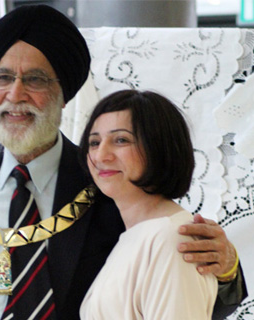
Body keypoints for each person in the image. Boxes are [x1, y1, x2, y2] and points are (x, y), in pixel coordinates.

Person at [0, 4, 246, 320]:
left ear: (64, 94)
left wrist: (227, 270)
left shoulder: (109, 182)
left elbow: (176, 288)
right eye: (3, 77)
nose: (16, 94)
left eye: (35, 80)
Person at [78, 89, 218, 319]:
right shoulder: (137, 236)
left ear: (158, 147)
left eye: (121, 140)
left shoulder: (171, 238)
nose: (101, 156)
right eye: (94, 142)